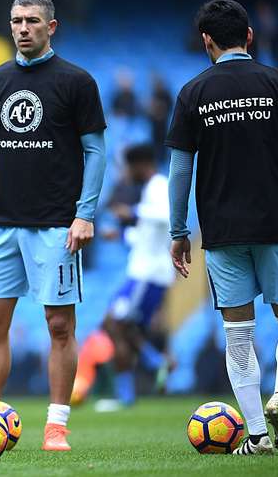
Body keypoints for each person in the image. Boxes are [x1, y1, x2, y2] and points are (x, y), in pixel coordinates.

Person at [0, 0, 106, 452]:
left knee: (58, 326)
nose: (23, 27)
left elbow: (95, 151)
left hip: (56, 225)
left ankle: (56, 426)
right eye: (16, 20)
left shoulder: (77, 82)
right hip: (3, 225)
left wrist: (84, 214)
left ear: (52, 27)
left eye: (32, 20)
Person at [168, 0, 278, 455]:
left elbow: (179, 171)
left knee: (239, 335)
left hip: (222, 232)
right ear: (249, 36)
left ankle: (255, 435)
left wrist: (179, 232)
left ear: (206, 41)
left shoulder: (192, 93)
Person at [73, 145, 174, 409]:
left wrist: (133, 213)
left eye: (129, 167)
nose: (128, 173)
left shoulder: (159, 185)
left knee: (113, 324)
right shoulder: (151, 188)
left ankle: (133, 387)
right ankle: (153, 363)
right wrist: (122, 235)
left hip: (148, 272)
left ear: (140, 164)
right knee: (120, 326)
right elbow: (149, 234)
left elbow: (168, 217)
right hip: (143, 269)